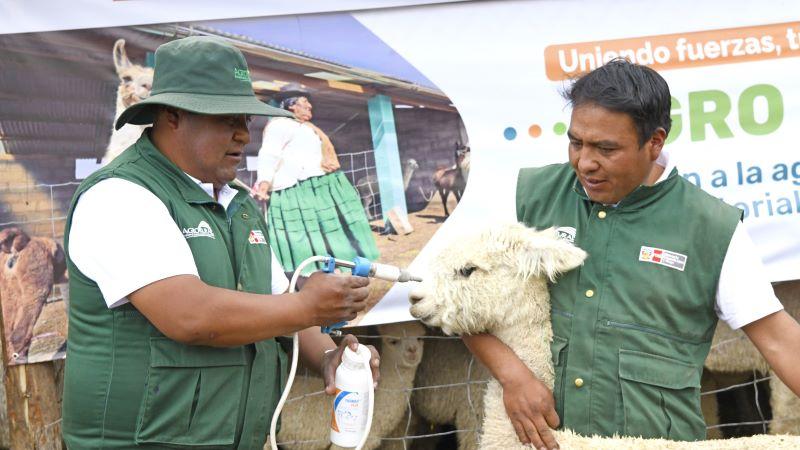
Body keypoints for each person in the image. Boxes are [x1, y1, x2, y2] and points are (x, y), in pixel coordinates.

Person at [463, 59, 800, 449]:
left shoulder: (711, 227)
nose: (585, 162)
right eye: (576, 142)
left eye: (606, 148)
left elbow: (779, 339)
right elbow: (456, 292)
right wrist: (513, 377)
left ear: (654, 142)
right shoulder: (530, 197)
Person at [62, 36, 380, 449]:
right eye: (227, 118)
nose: (243, 135)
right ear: (172, 116)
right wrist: (306, 306)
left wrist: (327, 356)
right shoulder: (119, 195)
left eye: (246, 120)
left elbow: (273, 302)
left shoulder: (239, 203)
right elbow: (189, 315)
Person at [254, 84, 379, 274]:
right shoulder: (279, 125)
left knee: (332, 227)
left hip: (320, 185)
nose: (310, 106)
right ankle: (309, 273)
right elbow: (269, 155)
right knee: (303, 234)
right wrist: (263, 185)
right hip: (297, 190)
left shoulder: (306, 127)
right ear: (290, 106)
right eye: (304, 103)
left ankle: (346, 264)